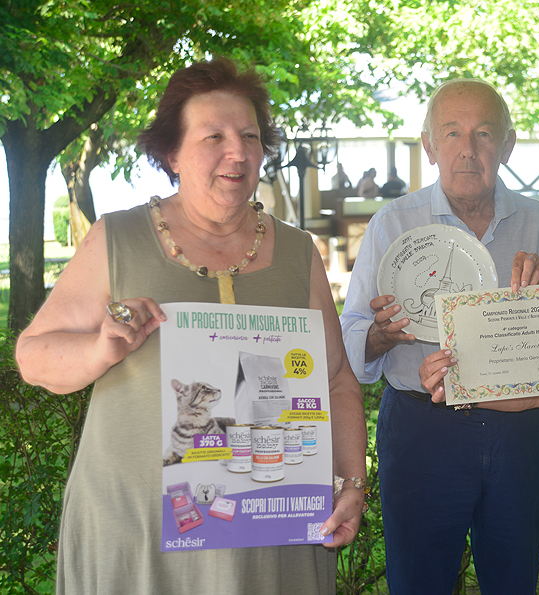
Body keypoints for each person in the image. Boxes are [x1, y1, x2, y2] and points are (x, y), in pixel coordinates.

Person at [15, 57, 366, 595]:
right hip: (138, 537)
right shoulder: (118, 239)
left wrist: (352, 481)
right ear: (171, 153)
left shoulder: (299, 252)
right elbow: (33, 356)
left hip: (270, 534)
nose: (238, 151)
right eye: (214, 136)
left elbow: (336, 380)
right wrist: (99, 349)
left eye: (250, 136)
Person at [339, 79, 539, 594]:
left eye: (484, 133)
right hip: (422, 431)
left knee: (514, 581)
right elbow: (352, 342)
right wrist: (383, 336)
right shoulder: (392, 224)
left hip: (519, 432)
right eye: (451, 133)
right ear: (429, 146)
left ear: (507, 145)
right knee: (418, 583)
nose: (468, 150)